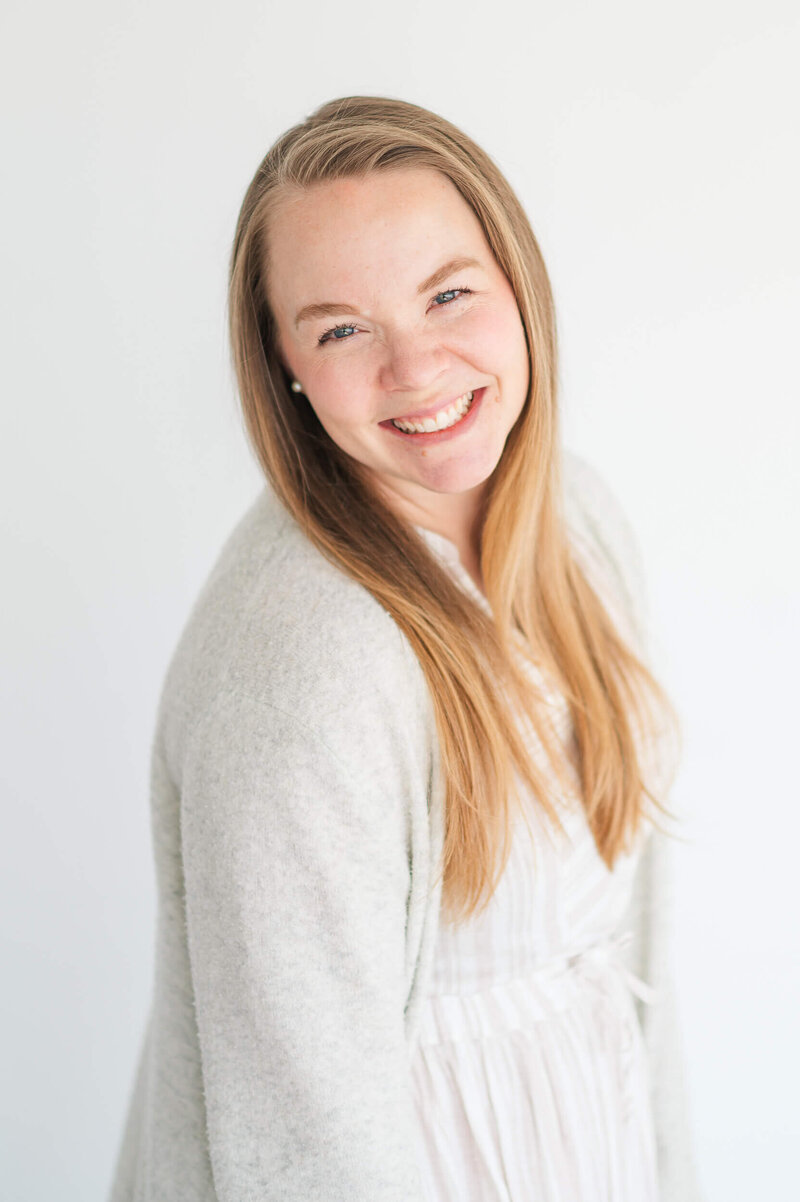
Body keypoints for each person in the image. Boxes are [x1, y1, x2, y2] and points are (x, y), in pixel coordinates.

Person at [107, 95, 703, 1202]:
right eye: (341, 327)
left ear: (518, 286)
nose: (415, 367)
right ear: (282, 362)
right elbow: (299, 1141)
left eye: (446, 294)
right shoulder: (300, 666)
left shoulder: (578, 527)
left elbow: (629, 966)